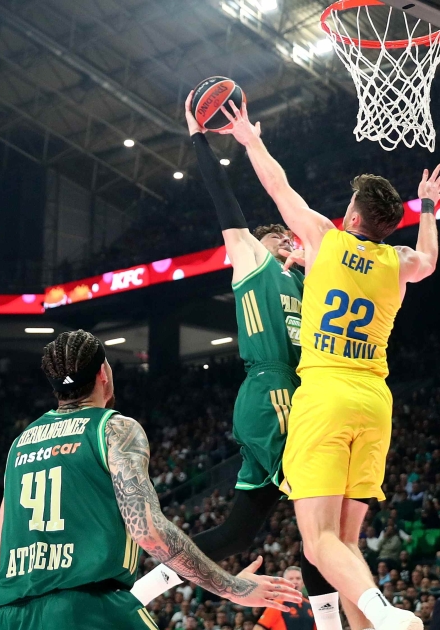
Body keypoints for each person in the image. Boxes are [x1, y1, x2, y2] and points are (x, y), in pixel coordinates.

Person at [220, 100, 440, 630]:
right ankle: (375, 623)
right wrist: (428, 207)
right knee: (345, 544)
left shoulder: (325, 238)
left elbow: (278, 187)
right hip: (375, 402)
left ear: (353, 217)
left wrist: (251, 139)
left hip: (325, 397)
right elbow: (430, 260)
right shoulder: (400, 261)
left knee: (318, 543)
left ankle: (383, 612)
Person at [133, 90, 341, 628]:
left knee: (237, 534)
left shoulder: (308, 284)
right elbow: (226, 201)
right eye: (280, 237)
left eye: (292, 239)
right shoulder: (251, 260)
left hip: (294, 396)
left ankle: (140, 591)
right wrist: (199, 139)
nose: (289, 240)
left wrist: (311, 264)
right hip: (272, 393)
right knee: (319, 523)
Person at [0, 330, 302, 630]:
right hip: (83, 611)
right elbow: (146, 530)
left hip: (6, 617)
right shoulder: (113, 428)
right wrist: (233, 587)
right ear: (103, 373)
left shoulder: (20, 444)